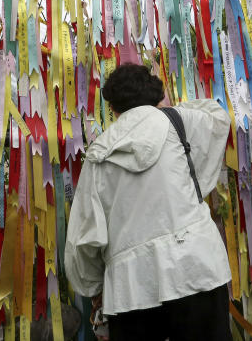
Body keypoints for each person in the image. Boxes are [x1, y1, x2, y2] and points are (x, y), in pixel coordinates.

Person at [64, 63, 232, 341]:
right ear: (157, 94)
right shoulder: (178, 122)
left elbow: (83, 238)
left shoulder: (98, 155)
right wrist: (166, 106)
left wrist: (95, 289)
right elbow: (217, 116)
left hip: (130, 290)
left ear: (113, 107)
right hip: (197, 269)